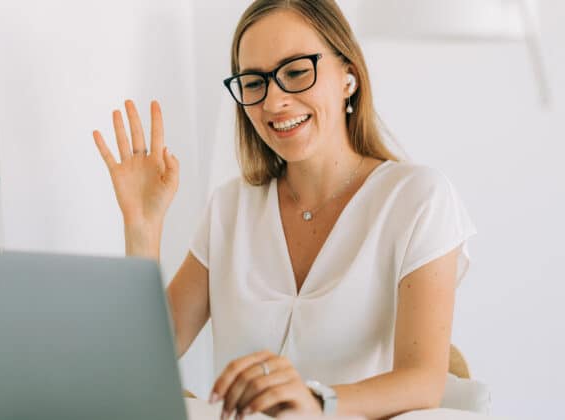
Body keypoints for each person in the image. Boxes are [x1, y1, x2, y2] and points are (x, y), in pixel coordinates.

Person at [92, 1, 477, 419]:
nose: (274, 102)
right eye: (254, 82)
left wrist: (315, 402)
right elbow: (143, 360)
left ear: (348, 76)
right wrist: (142, 226)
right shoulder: (230, 208)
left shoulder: (418, 198)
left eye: (295, 72)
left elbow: (423, 382)